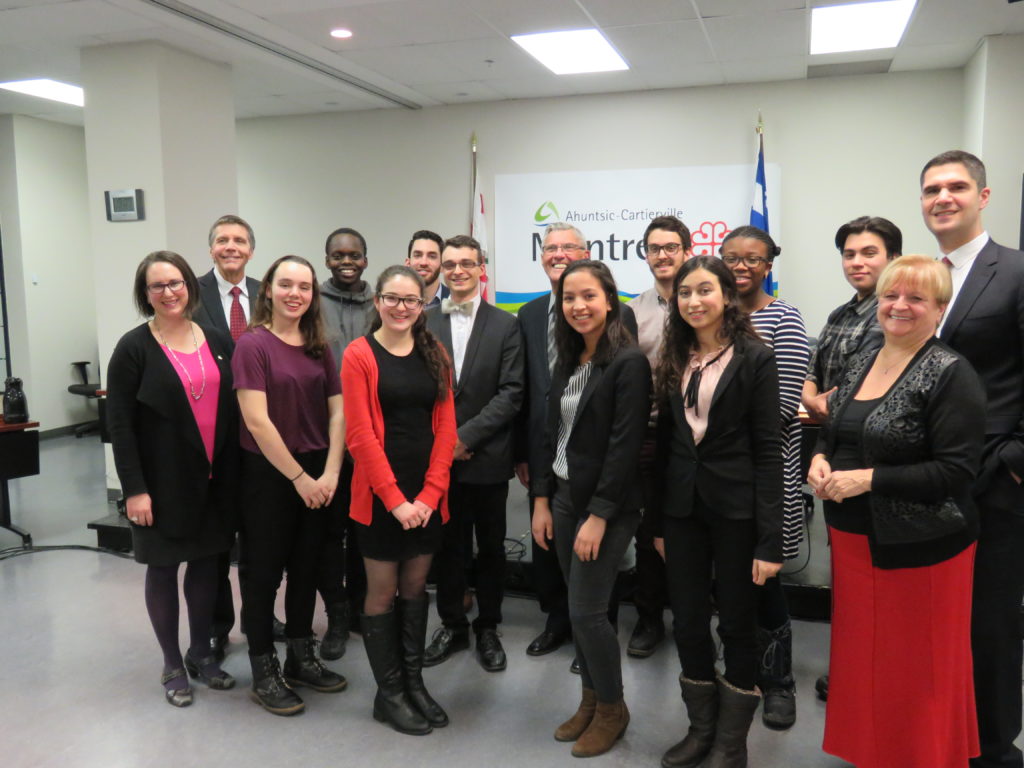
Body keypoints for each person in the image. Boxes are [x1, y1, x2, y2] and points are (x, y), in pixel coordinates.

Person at [809, 254, 985, 768]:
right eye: (891, 295)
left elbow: (956, 472)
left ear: (940, 308)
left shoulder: (952, 373)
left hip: (923, 551)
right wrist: (819, 458)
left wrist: (868, 479)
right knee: (866, 665)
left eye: (916, 298)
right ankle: (874, 754)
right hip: (855, 542)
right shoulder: (863, 360)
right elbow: (835, 428)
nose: (899, 306)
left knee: (918, 672)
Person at [651, 256, 783, 768]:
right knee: (686, 620)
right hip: (681, 509)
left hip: (737, 511)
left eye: (705, 290)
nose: (694, 301)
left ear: (727, 295)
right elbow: (665, 447)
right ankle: (700, 729)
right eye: (685, 292)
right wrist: (657, 522)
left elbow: (769, 451)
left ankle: (731, 741)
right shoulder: (674, 354)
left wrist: (770, 540)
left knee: (736, 623)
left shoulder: (756, 357)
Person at [920, 150, 1024, 768]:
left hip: (993, 479)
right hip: (926, 482)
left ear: (982, 197)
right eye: (932, 188)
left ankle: (993, 748)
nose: (943, 197)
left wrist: (1015, 459)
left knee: (989, 624)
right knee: (935, 624)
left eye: (956, 187)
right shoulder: (920, 280)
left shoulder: (1014, 272)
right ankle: (940, 738)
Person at [107, 251, 238, 707]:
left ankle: (201, 652)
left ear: (189, 285)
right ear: (145, 294)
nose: (169, 292)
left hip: (214, 481)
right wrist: (134, 490)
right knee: (163, 569)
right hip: (160, 485)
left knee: (205, 567)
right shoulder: (133, 348)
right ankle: (171, 663)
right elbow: (120, 425)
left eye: (175, 282)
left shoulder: (217, 339)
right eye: (157, 285)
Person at [531, 260, 651, 758]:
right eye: (568, 297)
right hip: (563, 497)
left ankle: (613, 709)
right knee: (577, 608)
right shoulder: (569, 355)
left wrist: (598, 516)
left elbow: (625, 447)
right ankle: (590, 700)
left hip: (607, 507)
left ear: (609, 300)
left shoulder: (628, 362)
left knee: (588, 611)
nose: (578, 306)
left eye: (588, 296)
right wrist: (542, 499)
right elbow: (551, 431)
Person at [342, 264, 457, 735]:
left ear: (423, 305)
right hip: (379, 498)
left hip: (426, 496)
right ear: (377, 301)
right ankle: (389, 693)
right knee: (381, 593)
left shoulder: (435, 352)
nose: (401, 307)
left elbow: (447, 428)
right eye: (392, 298)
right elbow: (359, 436)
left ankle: (413, 684)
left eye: (411, 300)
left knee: (415, 588)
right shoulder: (359, 354)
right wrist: (395, 501)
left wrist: (429, 495)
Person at [516, 222, 638, 664]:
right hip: (547, 455)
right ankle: (559, 621)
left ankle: (595, 632)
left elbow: (622, 421)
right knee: (549, 548)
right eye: (550, 247)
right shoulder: (529, 314)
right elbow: (525, 390)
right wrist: (527, 459)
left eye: (569, 247)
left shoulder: (619, 323)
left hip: (596, 466)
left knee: (595, 570)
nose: (558, 254)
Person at [233, 255, 348, 716]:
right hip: (270, 473)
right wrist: (299, 478)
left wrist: (331, 473)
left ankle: (301, 657)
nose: (295, 294)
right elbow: (257, 421)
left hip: (319, 470)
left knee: (307, 567)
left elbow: (338, 411)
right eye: (286, 284)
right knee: (264, 574)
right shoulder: (252, 345)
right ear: (268, 290)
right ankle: (264, 669)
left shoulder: (320, 345)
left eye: (304, 286)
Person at [801, 215, 901, 702]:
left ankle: (873, 677)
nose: (857, 262)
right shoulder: (841, 312)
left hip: (877, 457)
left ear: (893, 258)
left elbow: (865, 386)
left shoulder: (895, 312)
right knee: (847, 574)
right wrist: (812, 396)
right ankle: (850, 668)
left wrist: (827, 403)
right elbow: (814, 371)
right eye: (849, 254)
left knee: (878, 579)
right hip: (833, 449)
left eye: (869, 253)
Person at [721, 225, 809, 729]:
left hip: (763, 473)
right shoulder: (713, 316)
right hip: (719, 479)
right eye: (731, 257)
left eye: (752, 259)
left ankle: (779, 682)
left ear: (768, 265)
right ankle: (741, 673)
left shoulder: (784, 318)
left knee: (764, 578)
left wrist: (720, 443)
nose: (741, 267)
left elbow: (781, 407)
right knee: (731, 578)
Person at [423, 235, 524, 672]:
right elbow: (417, 388)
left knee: (491, 548)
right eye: (450, 264)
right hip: (438, 459)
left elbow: (512, 392)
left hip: (486, 456)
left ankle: (488, 627)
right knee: (448, 547)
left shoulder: (506, 324)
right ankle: (452, 625)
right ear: (441, 270)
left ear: (482, 268)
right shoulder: (423, 321)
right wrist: (444, 443)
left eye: (467, 263)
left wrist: (464, 438)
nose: (458, 271)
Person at [192, 214, 261, 661]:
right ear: (211, 249)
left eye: (239, 240)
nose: (231, 246)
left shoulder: (267, 293)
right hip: (213, 434)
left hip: (261, 435)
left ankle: (259, 616)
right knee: (217, 541)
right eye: (222, 240)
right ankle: (218, 627)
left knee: (259, 536)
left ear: (251, 249)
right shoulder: (190, 294)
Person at [625, 215, 692, 660]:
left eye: (671, 247)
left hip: (699, 438)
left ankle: (691, 617)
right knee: (649, 533)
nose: (662, 255)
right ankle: (648, 617)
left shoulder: (706, 301)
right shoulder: (631, 311)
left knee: (693, 530)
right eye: (654, 248)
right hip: (649, 435)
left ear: (687, 250)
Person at [318, 226, 374, 660]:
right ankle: (336, 616)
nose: (346, 262)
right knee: (327, 533)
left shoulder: (381, 304)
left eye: (354, 255)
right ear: (327, 260)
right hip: (325, 441)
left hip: (372, 440)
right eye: (338, 255)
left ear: (365, 260)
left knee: (364, 532)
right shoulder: (312, 305)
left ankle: (361, 609)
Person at [406, 230, 450, 309]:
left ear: (442, 266)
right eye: (418, 255)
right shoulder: (392, 301)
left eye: (432, 256)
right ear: (408, 264)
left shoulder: (457, 302)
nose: (424, 263)